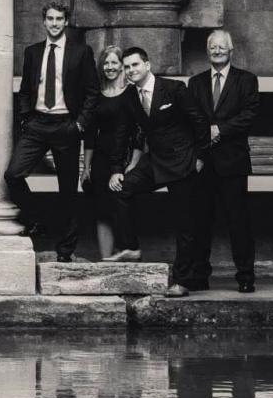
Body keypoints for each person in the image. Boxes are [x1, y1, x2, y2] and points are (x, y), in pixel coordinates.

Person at [108, 46, 211, 297]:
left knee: (184, 223)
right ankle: (131, 247)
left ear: (147, 65)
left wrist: (200, 157)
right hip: (154, 161)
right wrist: (115, 170)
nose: (131, 70)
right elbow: (121, 134)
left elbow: (199, 122)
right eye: (127, 67)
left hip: (182, 161)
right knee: (123, 188)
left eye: (135, 65)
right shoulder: (130, 97)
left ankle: (183, 281)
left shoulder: (174, 89)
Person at [3, 2, 99, 263]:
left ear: (65, 22)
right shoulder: (33, 52)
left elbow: (92, 92)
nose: (55, 23)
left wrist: (79, 125)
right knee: (13, 174)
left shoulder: (81, 52)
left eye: (59, 19)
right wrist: (26, 119)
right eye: (50, 19)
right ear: (43, 22)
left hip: (66, 125)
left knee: (68, 190)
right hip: (37, 125)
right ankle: (37, 219)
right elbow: (25, 90)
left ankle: (65, 251)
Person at [187, 30, 261, 293]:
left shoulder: (247, 80)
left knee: (238, 222)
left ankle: (245, 276)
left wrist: (220, 130)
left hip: (233, 162)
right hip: (203, 162)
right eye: (212, 47)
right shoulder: (194, 83)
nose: (217, 51)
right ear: (208, 52)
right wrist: (204, 136)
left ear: (231, 51)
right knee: (200, 221)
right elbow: (191, 117)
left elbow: (250, 114)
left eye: (222, 47)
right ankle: (199, 276)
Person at [82, 45, 137, 261]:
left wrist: (133, 162)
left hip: (124, 156)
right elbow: (89, 134)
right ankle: (106, 261)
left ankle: (127, 253)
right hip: (101, 158)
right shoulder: (97, 94)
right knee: (102, 210)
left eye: (114, 62)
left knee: (121, 205)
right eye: (106, 63)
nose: (110, 67)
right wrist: (86, 166)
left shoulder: (131, 92)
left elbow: (140, 130)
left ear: (122, 65)